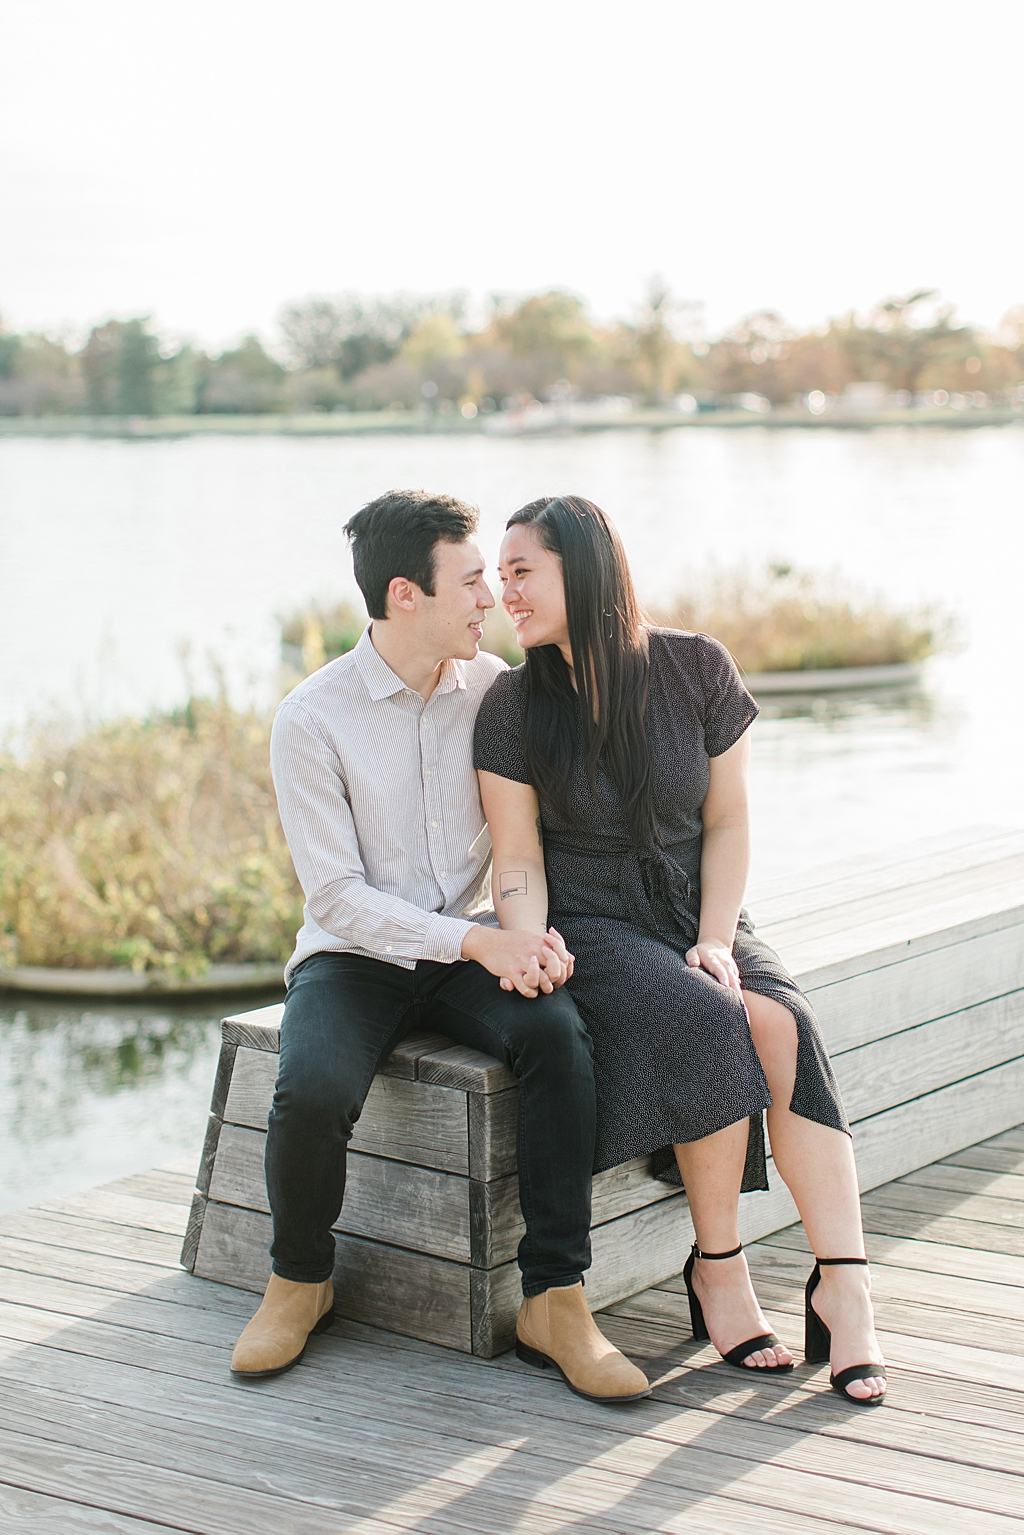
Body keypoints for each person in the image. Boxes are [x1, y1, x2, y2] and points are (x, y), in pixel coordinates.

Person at [230, 489, 650, 1405]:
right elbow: (337, 896)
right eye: (470, 581)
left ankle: (556, 1299)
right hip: (355, 956)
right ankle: (301, 1279)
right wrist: (478, 940)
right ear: (404, 594)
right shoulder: (312, 718)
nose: (490, 597)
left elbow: (528, 837)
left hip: (474, 948)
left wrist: (527, 938)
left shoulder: (498, 688)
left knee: (557, 1039)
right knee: (311, 1087)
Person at [473, 495, 887, 1405]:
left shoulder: (697, 666)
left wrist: (712, 935)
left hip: (699, 906)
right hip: (591, 919)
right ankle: (721, 1268)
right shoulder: (512, 701)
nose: (505, 591)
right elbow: (515, 853)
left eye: (520, 570)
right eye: (497, 576)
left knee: (780, 1017)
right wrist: (525, 934)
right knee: (706, 1016)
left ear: (582, 568)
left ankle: (844, 1284)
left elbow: (729, 819)